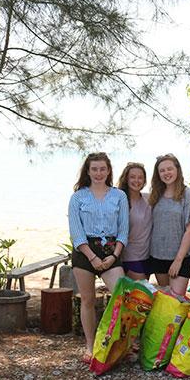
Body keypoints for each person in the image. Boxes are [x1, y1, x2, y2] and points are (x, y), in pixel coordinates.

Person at [66, 152, 128, 363]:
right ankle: (90, 346)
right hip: (85, 252)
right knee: (88, 299)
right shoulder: (78, 197)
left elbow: (123, 230)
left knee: (121, 297)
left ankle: (116, 343)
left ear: (108, 170)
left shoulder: (119, 196)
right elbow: (76, 232)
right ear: (88, 171)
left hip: (111, 250)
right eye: (94, 169)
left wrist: (114, 256)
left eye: (103, 169)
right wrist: (92, 257)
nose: (99, 173)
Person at [147, 154, 190, 296]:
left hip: (181, 257)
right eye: (162, 170)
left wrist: (178, 261)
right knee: (164, 300)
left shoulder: (188, 194)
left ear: (177, 170)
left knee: (176, 301)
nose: (166, 173)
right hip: (158, 255)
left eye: (169, 169)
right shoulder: (155, 194)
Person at [118, 162, 151, 280]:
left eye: (140, 177)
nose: (136, 180)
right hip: (130, 257)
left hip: (148, 256)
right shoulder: (120, 202)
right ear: (126, 179)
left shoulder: (149, 198)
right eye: (132, 177)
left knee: (138, 296)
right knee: (141, 292)